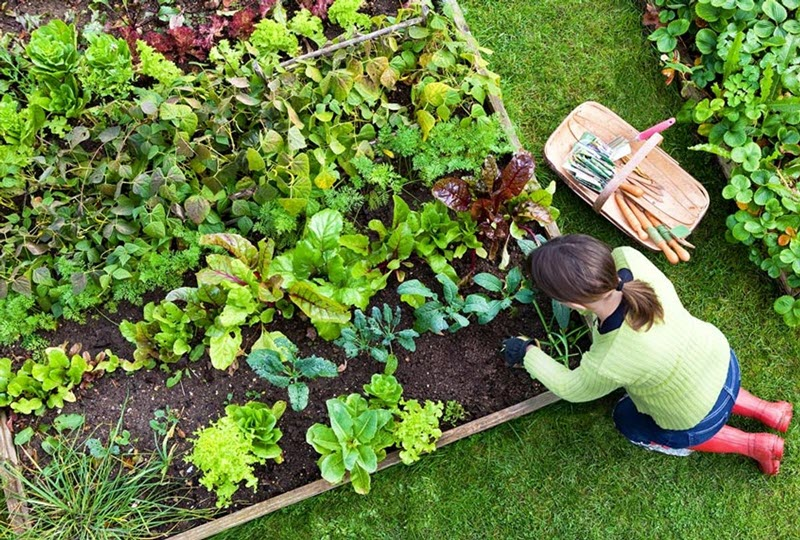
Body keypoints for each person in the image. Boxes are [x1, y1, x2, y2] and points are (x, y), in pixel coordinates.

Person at [502, 234, 793, 475]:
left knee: (626, 419)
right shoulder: (629, 259)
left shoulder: (610, 359)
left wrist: (526, 352)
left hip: (694, 415)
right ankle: (769, 411)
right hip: (720, 360)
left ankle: (754, 445)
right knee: (703, 384)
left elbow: (572, 388)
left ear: (572, 304)